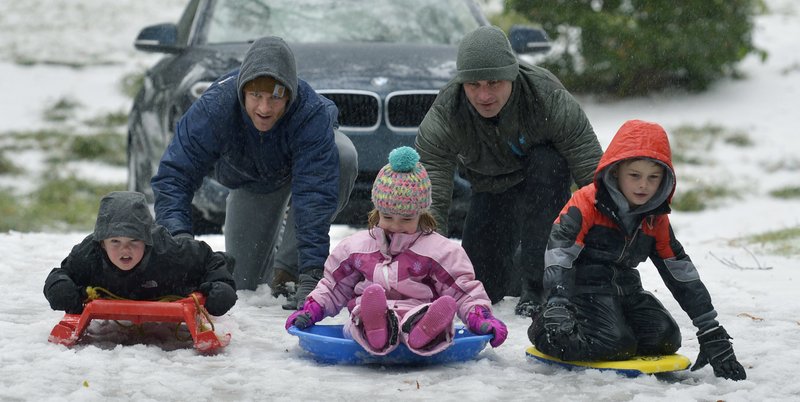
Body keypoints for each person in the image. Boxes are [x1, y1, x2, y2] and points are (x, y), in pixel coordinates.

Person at [528, 120, 746, 380]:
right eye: (635, 175)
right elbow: (559, 254)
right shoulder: (586, 202)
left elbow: (679, 270)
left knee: (665, 337)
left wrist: (710, 328)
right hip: (579, 291)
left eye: (653, 177)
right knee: (615, 343)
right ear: (616, 171)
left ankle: (613, 333)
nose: (644, 185)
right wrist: (557, 302)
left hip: (625, 289)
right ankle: (545, 327)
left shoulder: (655, 217)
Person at [150, 36, 358, 309]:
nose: (264, 108)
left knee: (342, 153)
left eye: (275, 97)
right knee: (243, 282)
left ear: (289, 94)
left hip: (300, 167)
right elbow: (175, 175)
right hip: (251, 182)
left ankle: (290, 269)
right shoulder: (215, 107)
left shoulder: (310, 113)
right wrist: (178, 242)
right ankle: (272, 254)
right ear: (242, 91)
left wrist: (312, 270)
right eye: (256, 96)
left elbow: (315, 193)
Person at [415, 26, 603, 316]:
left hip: (544, 185)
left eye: (494, 82)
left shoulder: (548, 96)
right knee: (481, 285)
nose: (484, 95)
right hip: (490, 188)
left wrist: (610, 251)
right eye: (473, 85)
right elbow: (430, 198)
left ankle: (538, 284)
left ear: (512, 75)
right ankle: (520, 264)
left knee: (548, 162)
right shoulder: (446, 114)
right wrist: (425, 266)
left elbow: (592, 174)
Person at [285, 147, 507, 355]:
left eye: (407, 219)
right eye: (388, 217)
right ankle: (376, 327)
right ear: (377, 210)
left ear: (422, 214)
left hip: (419, 312)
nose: (396, 225)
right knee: (362, 312)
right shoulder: (356, 249)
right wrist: (311, 309)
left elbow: (462, 291)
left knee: (421, 318)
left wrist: (480, 317)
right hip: (367, 312)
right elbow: (334, 287)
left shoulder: (438, 252)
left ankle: (423, 331)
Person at [43, 191, 237, 317]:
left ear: (146, 240)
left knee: (185, 240)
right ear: (102, 243)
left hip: (166, 281)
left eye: (134, 241)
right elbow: (62, 273)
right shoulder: (89, 255)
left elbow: (212, 262)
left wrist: (222, 287)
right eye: (115, 242)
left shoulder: (169, 252)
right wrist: (60, 289)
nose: (124, 250)